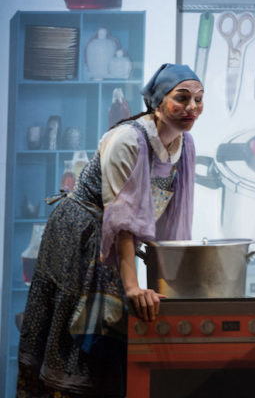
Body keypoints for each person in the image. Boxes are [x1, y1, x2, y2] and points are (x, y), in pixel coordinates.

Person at [17, 64, 204, 397]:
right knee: (78, 332)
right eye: (182, 98)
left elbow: (173, 220)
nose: (192, 107)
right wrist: (132, 287)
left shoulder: (184, 146)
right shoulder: (128, 139)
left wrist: (171, 280)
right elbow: (122, 220)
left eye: (199, 100)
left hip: (114, 237)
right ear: (158, 102)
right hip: (81, 234)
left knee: (110, 342)